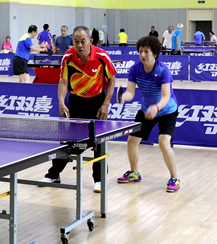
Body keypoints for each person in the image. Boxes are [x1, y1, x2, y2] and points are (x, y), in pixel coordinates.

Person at [41, 26, 116, 192]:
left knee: (99, 142)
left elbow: (112, 80)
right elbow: (63, 82)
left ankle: (100, 179)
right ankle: (54, 174)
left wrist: (106, 104)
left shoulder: (102, 56)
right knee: (66, 139)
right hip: (75, 101)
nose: (79, 45)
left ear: (90, 41)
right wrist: (61, 102)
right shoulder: (68, 57)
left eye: (83, 41)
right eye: (76, 41)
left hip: (97, 102)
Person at [117, 36, 180, 193]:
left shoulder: (163, 70)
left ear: (155, 53)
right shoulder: (135, 69)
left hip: (166, 110)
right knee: (132, 141)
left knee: (163, 143)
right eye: (140, 51)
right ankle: (134, 173)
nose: (142, 55)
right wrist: (124, 97)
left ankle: (174, 178)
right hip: (146, 109)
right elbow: (131, 92)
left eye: (146, 51)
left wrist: (156, 108)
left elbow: (166, 96)